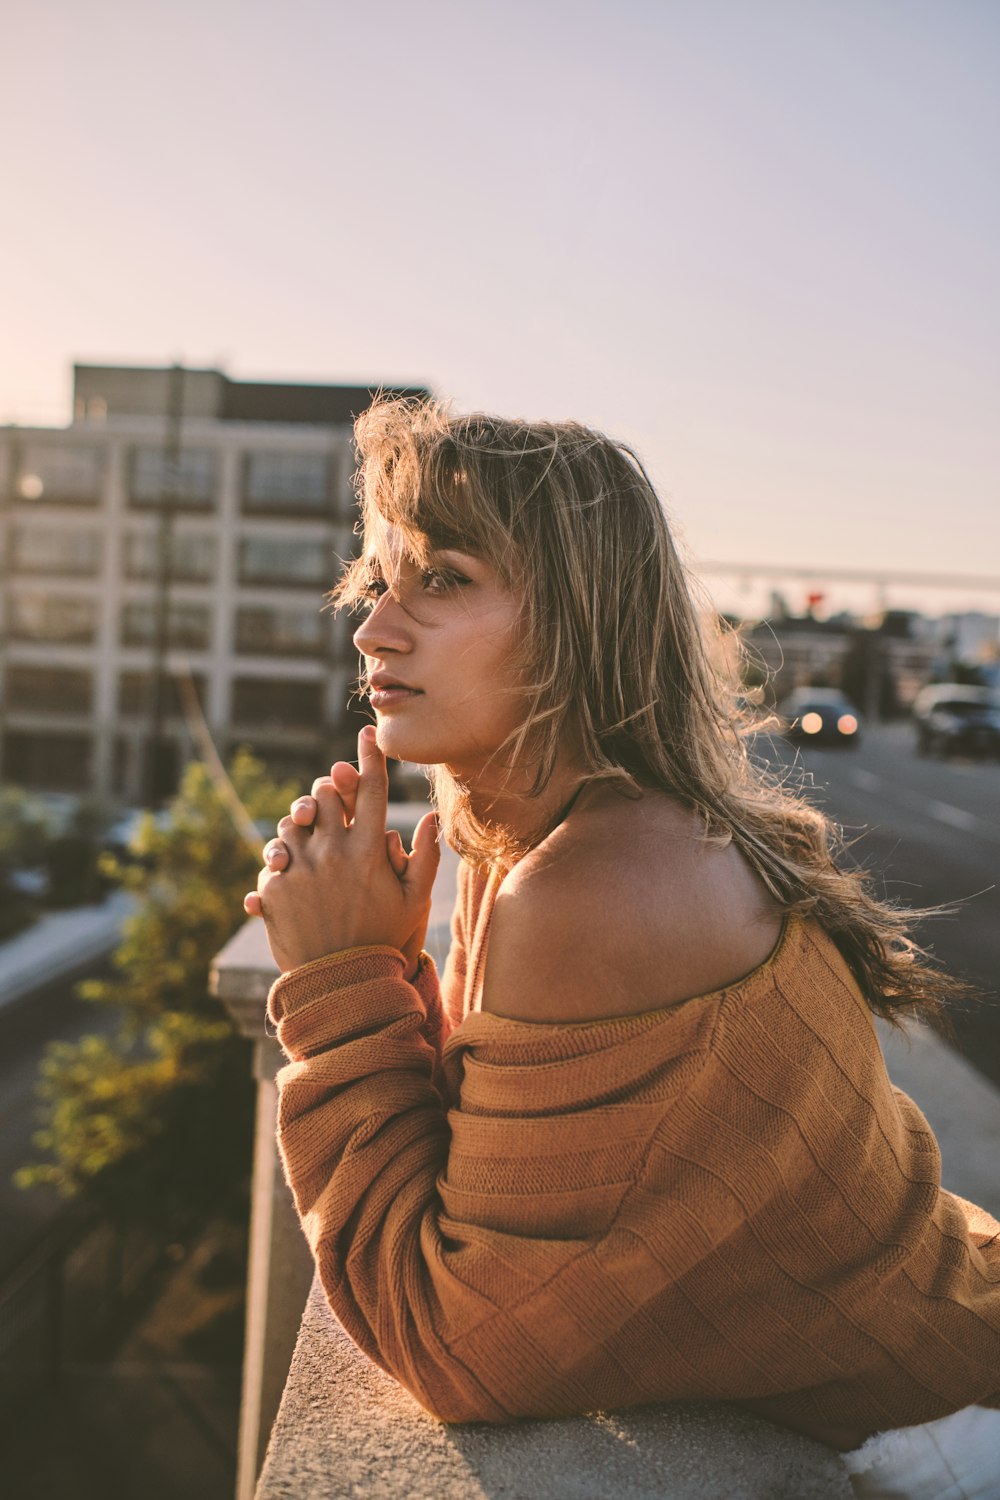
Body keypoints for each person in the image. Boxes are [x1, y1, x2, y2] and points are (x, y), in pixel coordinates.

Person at [244, 398, 1000, 1499]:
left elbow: (455, 1351)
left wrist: (338, 983)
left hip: (941, 1429)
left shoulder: (594, 884)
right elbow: (498, 1168)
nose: (373, 630)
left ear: (576, 619)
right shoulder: (553, 835)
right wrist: (387, 957)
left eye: (442, 578)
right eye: (377, 584)